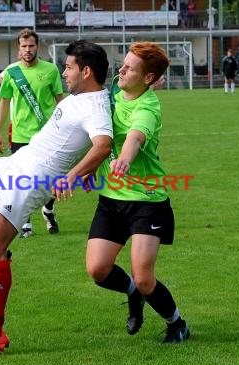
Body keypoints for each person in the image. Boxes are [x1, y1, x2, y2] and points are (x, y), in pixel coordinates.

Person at [0, 40, 113, 360]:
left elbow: (103, 144)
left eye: (69, 67)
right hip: (18, 161)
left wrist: (73, 175)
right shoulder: (80, 97)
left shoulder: (95, 105)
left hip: (34, 177)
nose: (64, 72)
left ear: (86, 71)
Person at [78, 41, 190, 344]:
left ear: (149, 78)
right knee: (98, 269)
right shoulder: (114, 90)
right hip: (111, 200)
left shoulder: (149, 107)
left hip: (147, 202)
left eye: (130, 67)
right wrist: (89, 169)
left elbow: (135, 138)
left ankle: (177, 323)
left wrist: (124, 160)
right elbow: (100, 134)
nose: (122, 69)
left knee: (144, 277)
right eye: (123, 63)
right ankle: (133, 296)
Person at [0, 28, 64, 238]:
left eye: (31, 46)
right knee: (21, 181)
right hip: (20, 136)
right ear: (19, 48)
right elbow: (3, 104)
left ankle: (48, 209)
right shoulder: (11, 73)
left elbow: (61, 101)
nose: (27, 50)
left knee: (52, 180)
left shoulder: (51, 70)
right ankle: (25, 223)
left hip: (48, 136)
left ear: (37, 46)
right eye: (23, 46)